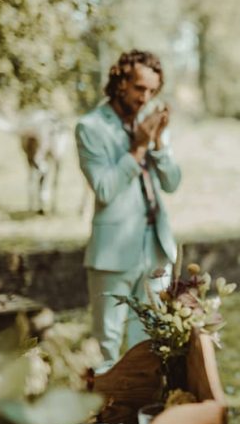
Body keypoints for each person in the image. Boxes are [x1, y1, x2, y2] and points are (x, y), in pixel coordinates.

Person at [76, 50, 180, 369]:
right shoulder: (90, 127)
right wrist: (137, 148)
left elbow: (172, 182)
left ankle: (141, 416)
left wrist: (158, 142)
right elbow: (105, 189)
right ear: (120, 82)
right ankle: (105, 416)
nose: (145, 98)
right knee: (107, 345)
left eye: (152, 91)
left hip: (155, 250)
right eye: (139, 89)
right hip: (112, 254)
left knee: (149, 343)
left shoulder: (150, 120)